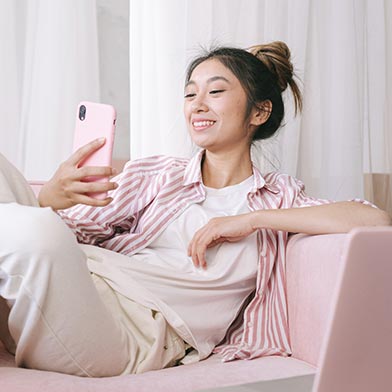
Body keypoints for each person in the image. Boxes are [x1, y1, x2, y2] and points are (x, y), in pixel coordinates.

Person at [0, 42, 390, 377]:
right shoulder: (157, 174)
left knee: (36, 232)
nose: (197, 105)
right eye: (190, 94)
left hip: (124, 332)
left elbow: (373, 218)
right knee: (25, 206)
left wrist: (250, 220)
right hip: (70, 286)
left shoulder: (279, 198)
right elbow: (76, 234)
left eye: (215, 92)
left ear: (259, 112)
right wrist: (50, 196)